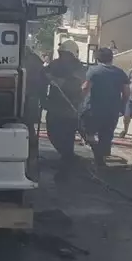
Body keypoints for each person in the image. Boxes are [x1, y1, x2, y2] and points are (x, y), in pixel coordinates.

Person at [42, 38, 86, 179]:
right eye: (61, 54)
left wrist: (59, 81)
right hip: (55, 107)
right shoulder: (55, 64)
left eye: (65, 54)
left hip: (70, 108)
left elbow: (76, 83)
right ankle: (66, 156)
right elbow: (44, 73)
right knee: (52, 133)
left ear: (72, 55)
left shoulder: (79, 67)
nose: (62, 57)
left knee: (67, 136)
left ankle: (68, 160)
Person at [81, 47, 129, 168]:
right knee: (106, 136)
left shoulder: (93, 71)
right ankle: (102, 160)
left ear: (97, 59)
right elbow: (126, 92)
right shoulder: (120, 72)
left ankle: (97, 155)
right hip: (112, 111)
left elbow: (85, 88)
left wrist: (79, 100)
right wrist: (122, 106)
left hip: (93, 110)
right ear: (111, 59)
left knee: (89, 133)